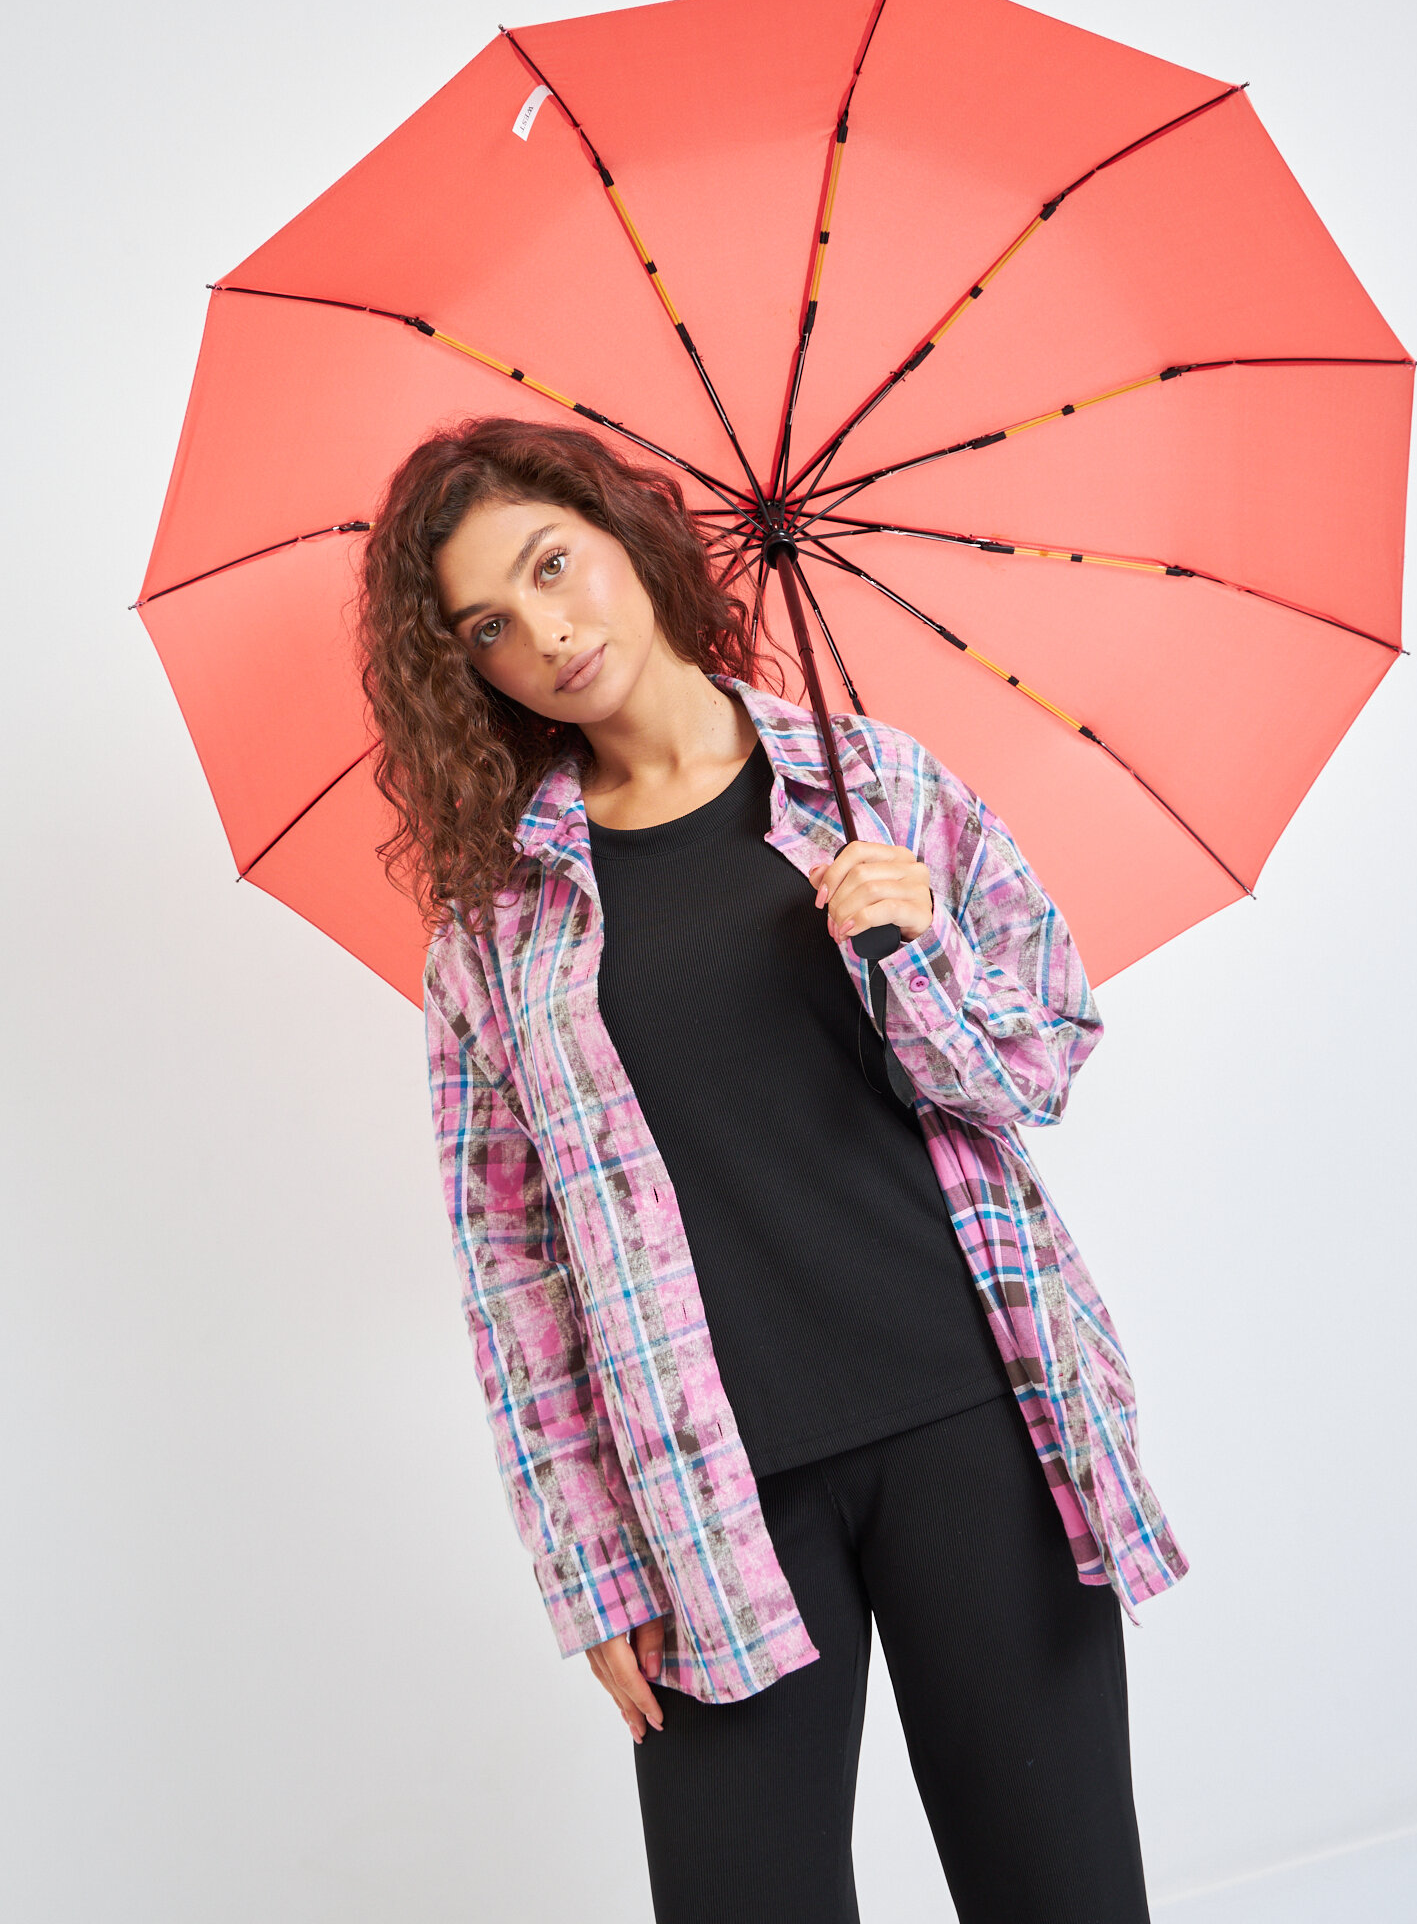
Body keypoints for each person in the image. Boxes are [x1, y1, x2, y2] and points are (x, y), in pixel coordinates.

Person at [356, 414, 1188, 1924]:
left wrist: (915, 948)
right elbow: (511, 1269)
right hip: (704, 1493)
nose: (545, 633)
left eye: (553, 566)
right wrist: (590, 1567)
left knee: (1060, 1893)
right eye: (487, 626)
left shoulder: (873, 787)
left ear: (629, 540)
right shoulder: (496, 927)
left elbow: (1045, 1060)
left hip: (973, 1424)